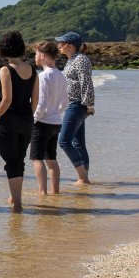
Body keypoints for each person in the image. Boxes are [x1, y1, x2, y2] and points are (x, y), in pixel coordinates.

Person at [0, 31, 38, 213]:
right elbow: (35, 101)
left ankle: (17, 204)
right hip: (26, 119)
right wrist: (27, 116)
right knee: (19, 160)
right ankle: (15, 196)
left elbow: (7, 99)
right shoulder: (32, 69)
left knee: (11, 162)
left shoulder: (6, 69)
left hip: (8, 120)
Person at [56, 31, 95, 185]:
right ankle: (84, 177)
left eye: (62, 43)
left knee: (64, 141)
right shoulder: (72, 60)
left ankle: (82, 178)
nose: (59, 45)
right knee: (78, 143)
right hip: (73, 104)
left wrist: (89, 105)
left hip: (78, 104)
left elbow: (86, 82)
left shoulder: (80, 60)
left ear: (70, 45)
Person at [31, 41, 68, 195]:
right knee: (51, 159)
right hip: (56, 122)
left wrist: (34, 119)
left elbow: (41, 102)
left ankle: (42, 192)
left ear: (42, 56)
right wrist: (56, 113)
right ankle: (55, 191)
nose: (34, 57)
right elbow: (66, 101)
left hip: (43, 122)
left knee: (37, 159)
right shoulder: (61, 75)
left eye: (35, 54)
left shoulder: (43, 76)